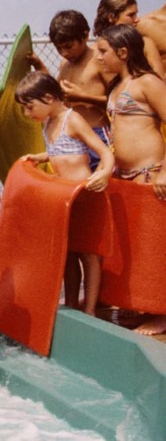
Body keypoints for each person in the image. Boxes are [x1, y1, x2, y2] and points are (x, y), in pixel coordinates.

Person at [15, 71, 114, 316]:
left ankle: (90, 309)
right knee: (68, 254)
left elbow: (105, 152)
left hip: (85, 196)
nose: (28, 114)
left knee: (88, 254)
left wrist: (103, 174)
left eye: (29, 107)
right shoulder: (48, 124)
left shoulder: (73, 119)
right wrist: (41, 156)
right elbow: (61, 152)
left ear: (48, 98)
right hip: (65, 200)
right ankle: (71, 306)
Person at [96, 24, 166, 335]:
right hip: (126, 178)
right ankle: (142, 304)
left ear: (123, 53)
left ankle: (163, 313)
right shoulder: (115, 88)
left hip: (151, 174)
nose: (97, 58)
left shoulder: (147, 83)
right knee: (137, 248)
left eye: (102, 52)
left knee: (158, 247)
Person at [29, 9, 111, 169]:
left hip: (98, 134)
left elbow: (118, 102)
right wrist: (39, 66)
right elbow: (56, 94)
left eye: (68, 46)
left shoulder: (99, 60)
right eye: (59, 48)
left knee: (103, 183)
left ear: (85, 36)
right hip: (73, 137)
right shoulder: (65, 65)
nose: (64, 53)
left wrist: (83, 97)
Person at [94, 0, 164, 76]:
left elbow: (159, 80)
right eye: (131, 15)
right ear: (111, 17)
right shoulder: (94, 52)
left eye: (136, 14)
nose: (137, 19)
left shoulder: (145, 44)